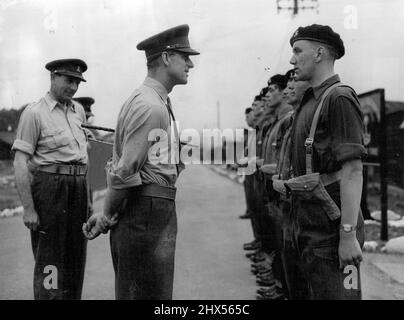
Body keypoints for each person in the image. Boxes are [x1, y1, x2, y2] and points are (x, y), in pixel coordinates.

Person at [82, 24, 200, 300]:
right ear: (167, 58)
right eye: (185, 56)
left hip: (150, 209)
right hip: (146, 211)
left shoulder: (155, 101)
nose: (191, 64)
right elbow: (125, 170)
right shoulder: (151, 105)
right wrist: (106, 215)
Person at [286, 24, 366, 299]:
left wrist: (347, 235)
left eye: (298, 51)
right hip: (311, 225)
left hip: (332, 231)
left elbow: (353, 171)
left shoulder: (339, 97)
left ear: (319, 53)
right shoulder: (311, 101)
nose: (292, 59)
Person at [12, 59, 89, 299]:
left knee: (76, 258)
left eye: (77, 82)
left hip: (77, 188)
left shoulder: (78, 111)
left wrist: (86, 197)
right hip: (50, 190)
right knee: (51, 261)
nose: (74, 87)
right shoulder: (34, 113)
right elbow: (20, 162)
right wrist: (28, 209)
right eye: (69, 80)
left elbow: (84, 156)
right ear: (53, 78)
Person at [239, 107, 255, 220]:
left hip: (255, 173)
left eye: (248, 117)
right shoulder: (251, 134)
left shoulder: (255, 133)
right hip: (249, 172)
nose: (246, 120)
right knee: (250, 197)